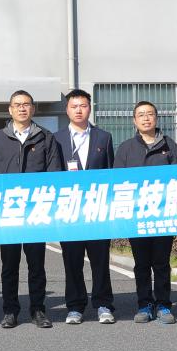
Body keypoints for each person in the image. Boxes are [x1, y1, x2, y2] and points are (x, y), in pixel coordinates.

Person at [0, 89, 61, 329]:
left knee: (36, 265)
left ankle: (38, 309)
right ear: (10, 109)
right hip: (8, 212)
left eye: (26, 104)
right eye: (17, 104)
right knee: (9, 265)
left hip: (36, 212)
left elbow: (54, 174)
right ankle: (10, 310)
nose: (22, 108)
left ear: (33, 108)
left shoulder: (45, 137)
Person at [113, 101, 177, 324]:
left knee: (161, 263)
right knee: (141, 263)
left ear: (156, 118)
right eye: (141, 115)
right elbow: (118, 182)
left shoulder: (170, 146)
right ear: (134, 121)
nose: (146, 118)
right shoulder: (126, 148)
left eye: (150, 114)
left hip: (163, 216)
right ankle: (144, 304)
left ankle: (163, 304)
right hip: (137, 217)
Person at [54, 88, 116, 325]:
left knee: (100, 260)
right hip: (69, 211)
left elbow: (110, 174)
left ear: (90, 108)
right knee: (72, 261)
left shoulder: (103, 137)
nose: (79, 110)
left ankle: (103, 304)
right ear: (67, 110)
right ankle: (75, 306)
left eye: (83, 106)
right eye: (74, 106)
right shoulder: (56, 139)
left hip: (97, 210)